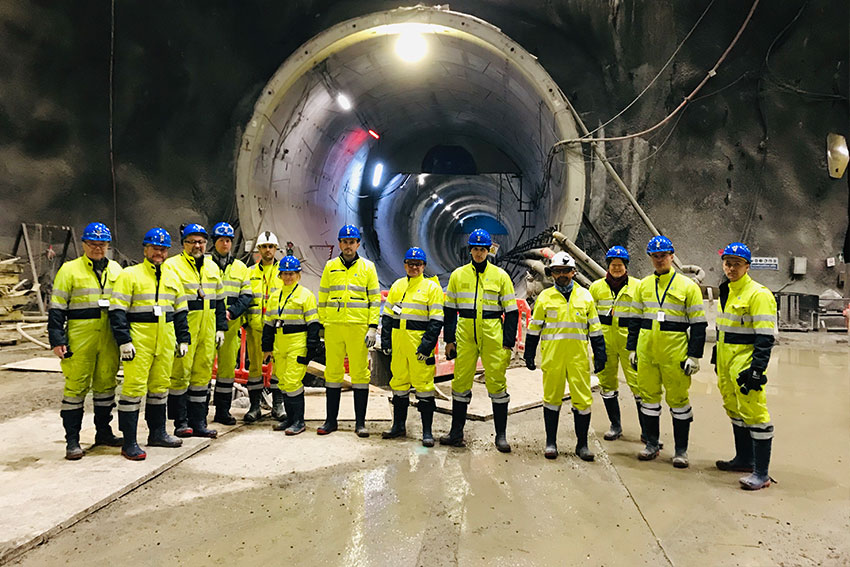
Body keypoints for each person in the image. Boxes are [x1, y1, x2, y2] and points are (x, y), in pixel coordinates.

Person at [108, 228, 190, 460]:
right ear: (145, 249)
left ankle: (157, 433)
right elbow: (117, 311)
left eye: (163, 249)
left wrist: (183, 339)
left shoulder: (173, 277)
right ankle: (130, 441)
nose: (159, 253)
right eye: (155, 248)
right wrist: (124, 341)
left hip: (165, 341)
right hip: (139, 342)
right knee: (133, 390)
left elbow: (181, 313)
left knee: (160, 388)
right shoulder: (129, 275)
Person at [626, 236, 707, 468]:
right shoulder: (643, 286)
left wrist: (694, 355)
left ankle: (681, 451)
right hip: (647, 352)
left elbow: (699, 325)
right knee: (649, 400)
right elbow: (635, 320)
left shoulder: (688, 287)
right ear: (651, 258)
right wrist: (631, 348)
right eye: (655, 256)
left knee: (679, 401)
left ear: (672, 256)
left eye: (663, 255)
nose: (659, 260)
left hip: (675, 354)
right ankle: (652, 444)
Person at [48, 222, 123, 460]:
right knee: (76, 387)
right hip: (80, 337)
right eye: (92, 244)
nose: (97, 249)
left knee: (105, 385)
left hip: (109, 337)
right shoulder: (69, 270)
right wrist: (57, 339)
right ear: (83, 244)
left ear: (108, 246)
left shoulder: (117, 271)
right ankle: (72, 440)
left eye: (101, 245)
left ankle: (104, 432)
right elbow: (57, 308)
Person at [441, 228, 519, 452]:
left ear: (488, 251)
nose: (478, 253)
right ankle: (456, 433)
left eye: (482, 249)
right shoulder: (458, 275)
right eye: (475, 249)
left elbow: (511, 312)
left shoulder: (500, 276)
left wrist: (508, 343)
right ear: (470, 250)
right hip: (465, 334)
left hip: (492, 333)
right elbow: (450, 310)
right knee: (460, 382)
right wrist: (449, 340)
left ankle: (501, 436)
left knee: (496, 383)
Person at [524, 252, 606, 460]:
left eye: (566, 271)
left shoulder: (585, 297)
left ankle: (582, 445)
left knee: (582, 400)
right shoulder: (544, 298)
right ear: (551, 274)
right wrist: (529, 353)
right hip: (553, 358)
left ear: (573, 272)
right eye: (557, 271)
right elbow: (534, 329)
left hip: (578, 358)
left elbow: (595, 330)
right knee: (551, 399)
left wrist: (600, 354)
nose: (562, 275)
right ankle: (551, 443)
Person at [713, 242, 777, 490]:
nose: (731, 268)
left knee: (755, 414)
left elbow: (765, 337)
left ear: (747, 266)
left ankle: (761, 473)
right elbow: (724, 330)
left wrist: (757, 370)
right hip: (726, 362)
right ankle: (744, 459)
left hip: (745, 363)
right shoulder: (727, 290)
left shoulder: (758, 294)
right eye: (728, 263)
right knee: (734, 409)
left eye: (737, 264)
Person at [316, 225, 381, 437]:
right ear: (339, 243)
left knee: (360, 374)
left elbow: (374, 299)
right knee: (332, 373)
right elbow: (323, 297)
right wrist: (324, 324)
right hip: (334, 328)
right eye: (344, 241)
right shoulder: (330, 267)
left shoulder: (368, 268)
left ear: (358, 244)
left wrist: (372, 327)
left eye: (351, 242)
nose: (348, 245)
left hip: (358, 328)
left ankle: (360, 422)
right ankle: (330, 421)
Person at [165, 224, 226, 439]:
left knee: (202, 375)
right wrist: (175, 333)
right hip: (185, 330)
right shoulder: (172, 266)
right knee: (180, 375)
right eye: (192, 242)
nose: (197, 245)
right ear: (184, 244)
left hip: (208, 331)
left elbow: (220, 301)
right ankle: (180, 422)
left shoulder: (211, 267)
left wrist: (220, 328)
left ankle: (199, 422)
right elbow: (169, 302)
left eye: (201, 242)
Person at [380, 247, 444, 447]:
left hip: (418, 346)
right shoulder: (398, 286)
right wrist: (386, 341)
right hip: (399, 344)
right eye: (410, 263)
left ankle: (427, 432)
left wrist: (426, 346)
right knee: (398, 384)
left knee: (424, 387)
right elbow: (388, 316)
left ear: (424, 266)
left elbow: (436, 320)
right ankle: (398, 426)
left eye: (418, 264)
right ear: (405, 265)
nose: (414, 267)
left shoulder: (431, 288)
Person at [261, 255, 320, 435]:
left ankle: (298, 421)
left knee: (294, 381)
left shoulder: (306, 296)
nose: (288, 277)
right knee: (284, 382)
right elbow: (268, 325)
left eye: (291, 274)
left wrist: (311, 347)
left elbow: (313, 324)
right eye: (284, 274)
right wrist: (267, 348)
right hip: (280, 343)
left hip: (297, 342)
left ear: (298, 275)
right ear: (280, 275)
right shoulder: (275, 297)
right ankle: (289, 418)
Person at [588, 246, 642, 441]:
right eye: (613, 265)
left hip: (630, 344)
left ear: (626, 266)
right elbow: (590, 315)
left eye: (620, 265)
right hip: (604, 343)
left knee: (639, 384)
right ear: (608, 266)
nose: (616, 268)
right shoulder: (596, 288)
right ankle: (615, 425)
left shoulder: (638, 287)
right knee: (607, 383)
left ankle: (647, 431)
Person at [208, 222, 253, 425]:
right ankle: (197, 413)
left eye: (228, 240)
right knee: (201, 369)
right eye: (221, 240)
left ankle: (222, 411)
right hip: (206, 324)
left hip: (230, 325)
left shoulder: (240, 268)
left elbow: (247, 296)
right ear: (214, 242)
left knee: (226, 372)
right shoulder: (205, 265)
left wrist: (231, 312)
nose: (225, 244)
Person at [243, 231, 282, 423]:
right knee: (255, 368)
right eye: (264, 247)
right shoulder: (249, 273)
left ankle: (278, 405)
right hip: (255, 328)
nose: (268, 250)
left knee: (278, 367)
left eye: (271, 247)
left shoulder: (283, 272)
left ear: (276, 249)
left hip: (276, 328)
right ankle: (254, 407)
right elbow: (244, 298)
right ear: (259, 249)